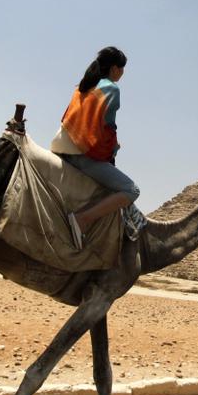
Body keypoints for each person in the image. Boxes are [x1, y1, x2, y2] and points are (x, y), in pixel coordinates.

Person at [51, 46, 140, 250]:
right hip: (81, 154)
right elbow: (106, 128)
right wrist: (114, 148)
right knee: (131, 190)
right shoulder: (112, 88)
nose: (123, 73)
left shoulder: (82, 86)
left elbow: (71, 120)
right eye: (122, 68)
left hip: (60, 146)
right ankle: (82, 220)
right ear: (115, 68)